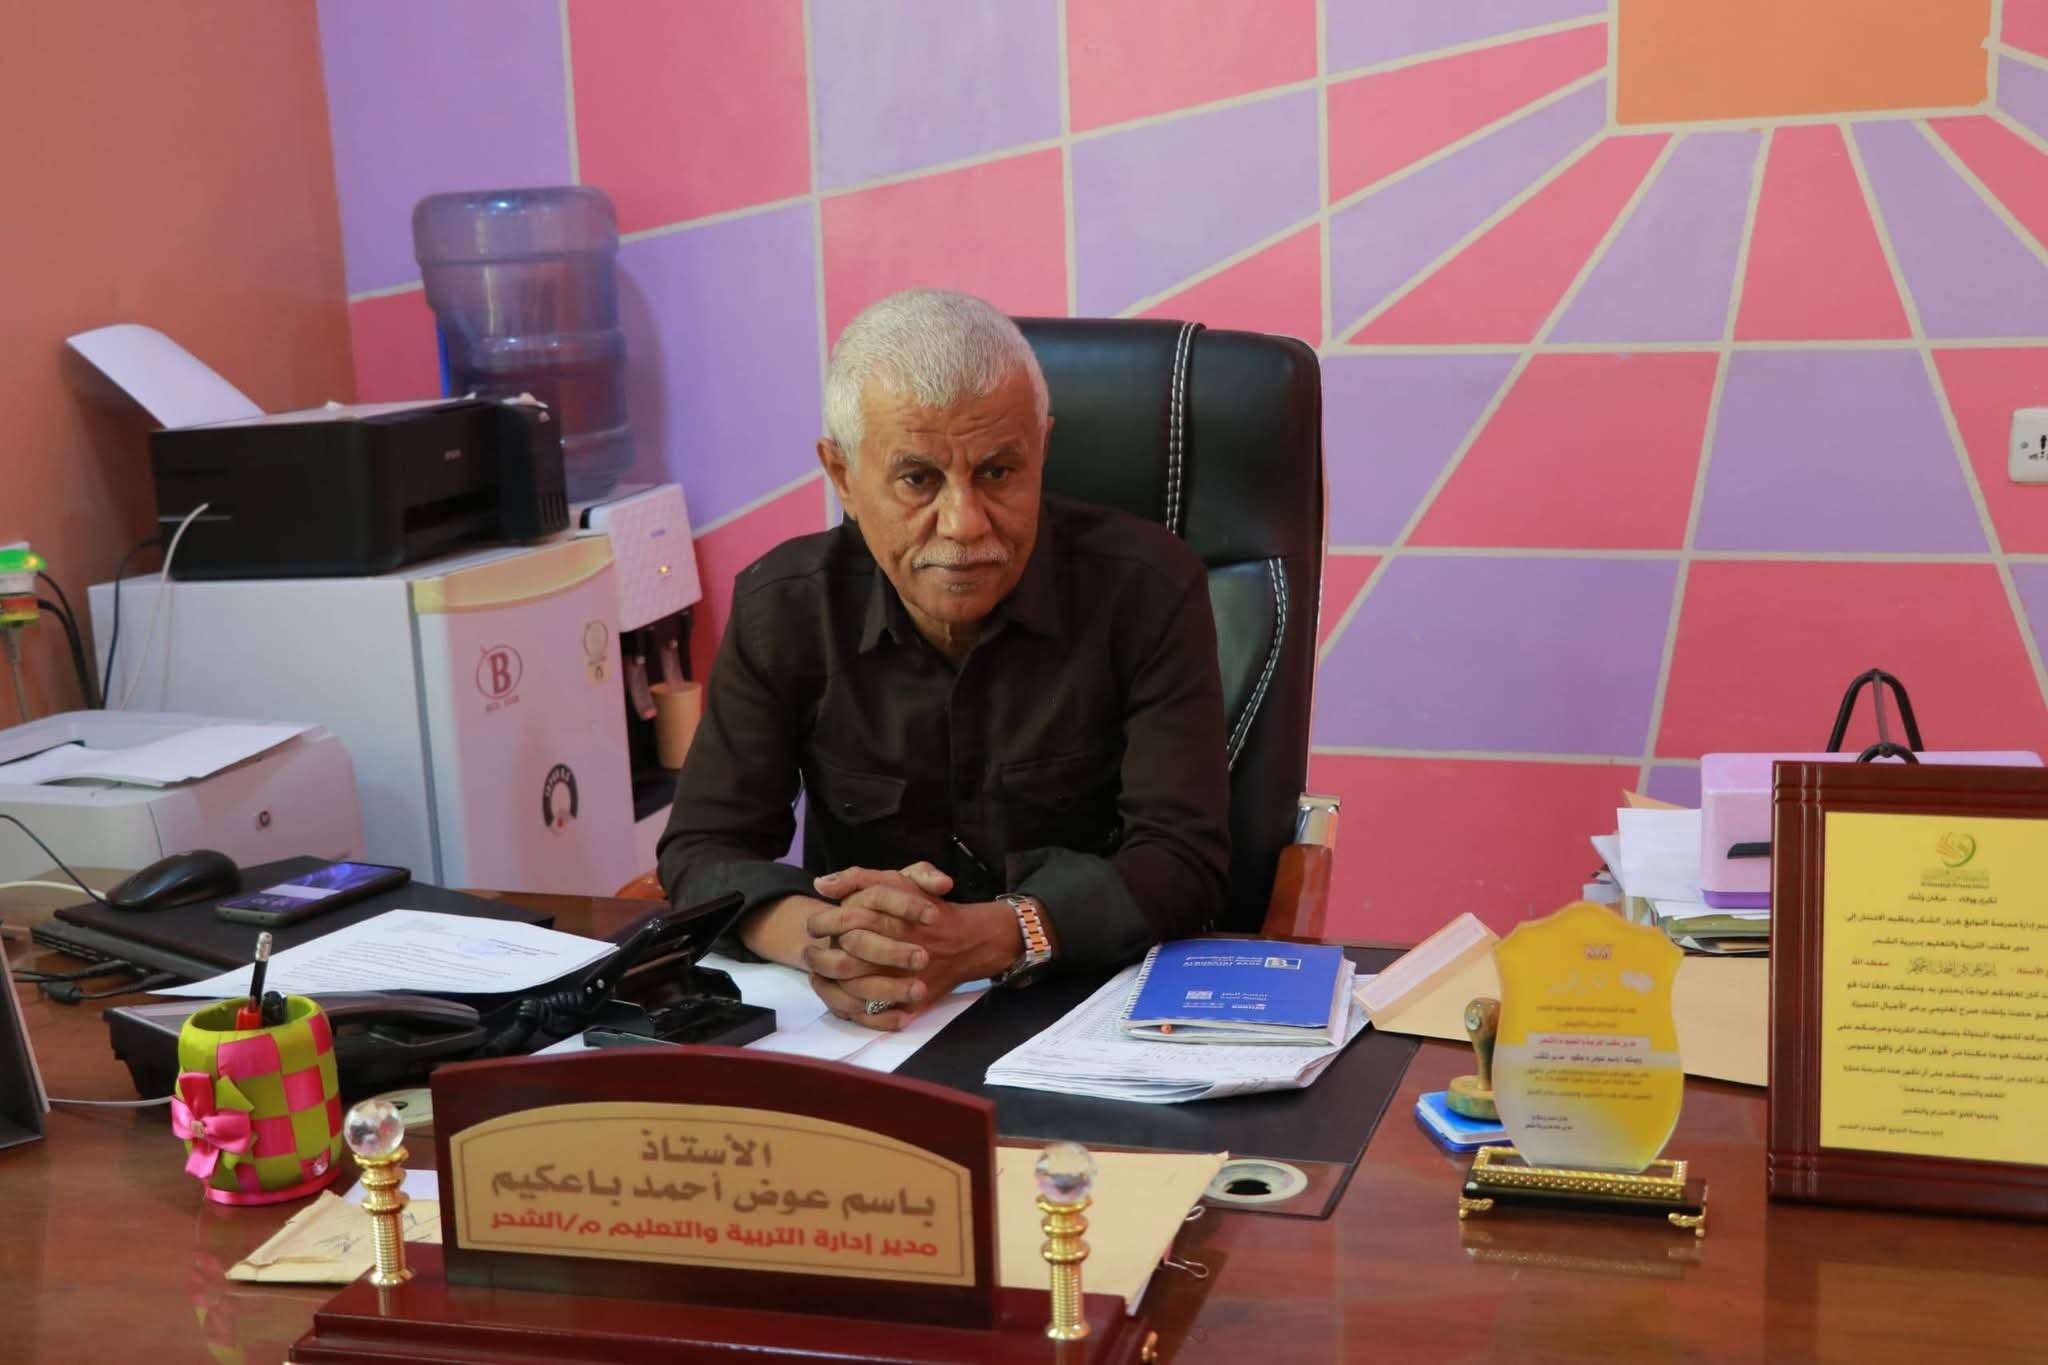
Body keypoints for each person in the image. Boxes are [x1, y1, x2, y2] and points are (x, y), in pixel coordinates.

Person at [658, 289, 1229, 1029]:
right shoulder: (786, 607)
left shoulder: (1148, 589)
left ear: (1041, 450)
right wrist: (829, 941)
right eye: (917, 478)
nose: (963, 525)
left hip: (1089, 1011)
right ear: (842, 477)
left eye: (998, 473)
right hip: (865, 1022)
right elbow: (703, 847)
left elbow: (1184, 858)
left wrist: (992, 937)